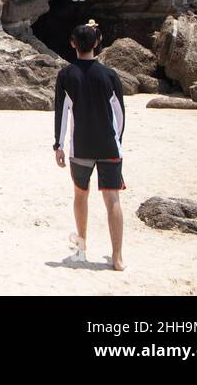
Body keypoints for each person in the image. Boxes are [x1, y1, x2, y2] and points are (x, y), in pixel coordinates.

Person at [52, 19, 126, 271]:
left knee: (80, 195)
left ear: (72, 44)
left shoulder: (66, 75)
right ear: (97, 43)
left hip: (80, 146)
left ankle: (81, 249)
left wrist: (58, 145)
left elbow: (62, 112)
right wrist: (117, 140)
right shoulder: (110, 75)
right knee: (112, 199)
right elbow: (120, 114)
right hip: (108, 146)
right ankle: (117, 257)